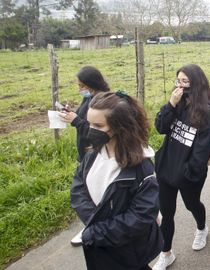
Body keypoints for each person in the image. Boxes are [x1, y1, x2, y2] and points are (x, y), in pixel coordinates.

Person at [70, 91, 163, 270]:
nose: (90, 130)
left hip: (128, 251)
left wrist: (95, 231)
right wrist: (93, 222)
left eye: (98, 125)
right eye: (89, 123)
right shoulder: (93, 154)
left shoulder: (142, 169)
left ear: (119, 127)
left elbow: (140, 217)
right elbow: (78, 187)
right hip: (101, 247)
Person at [152, 64, 210, 270]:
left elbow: (202, 151)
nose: (179, 86)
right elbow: (160, 127)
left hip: (189, 174)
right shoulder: (177, 103)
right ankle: (166, 253)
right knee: (167, 212)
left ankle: (201, 228)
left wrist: (187, 173)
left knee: (192, 204)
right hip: (166, 168)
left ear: (195, 84)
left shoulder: (206, 110)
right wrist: (170, 105)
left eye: (184, 82)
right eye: (177, 81)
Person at [60, 66, 110, 246]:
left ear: (91, 84)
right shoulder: (89, 97)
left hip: (95, 151)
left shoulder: (102, 101)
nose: (79, 88)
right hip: (86, 152)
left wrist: (76, 121)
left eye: (82, 85)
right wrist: (71, 113)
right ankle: (93, 224)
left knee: (93, 193)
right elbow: (84, 117)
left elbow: (96, 132)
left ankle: (94, 226)